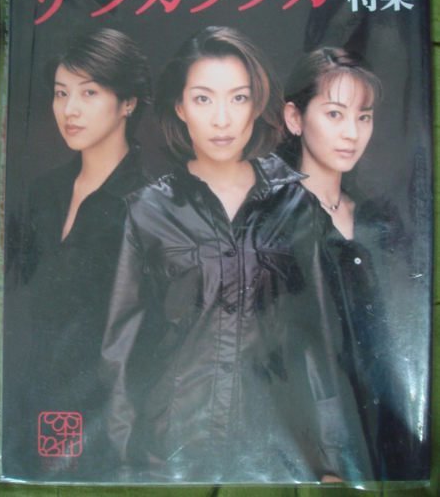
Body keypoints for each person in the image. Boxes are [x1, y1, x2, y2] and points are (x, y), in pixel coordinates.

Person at [101, 28, 373, 484]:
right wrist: (126, 458)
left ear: (256, 104)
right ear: (180, 107)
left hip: (274, 447)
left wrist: (331, 459)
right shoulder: (147, 211)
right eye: (203, 99)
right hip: (169, 451)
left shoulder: (295, 205)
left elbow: (320, 340)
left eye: (239, 98)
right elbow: (121, 348)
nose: (222, 119)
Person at [5, 27, 151, 480]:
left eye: (89, 92)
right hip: (25, 407)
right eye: (60, 93)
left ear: (128, 102)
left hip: (109, 425)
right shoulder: (42, 193)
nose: (69, 109)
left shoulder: (151, 206)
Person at [281, 47, 426, 479]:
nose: (352, 133)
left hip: (391, 433)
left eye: (364, 117)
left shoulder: (379, 219)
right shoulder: (271, 223)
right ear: (294, 118)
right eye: (334, 114)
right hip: (317, 449)